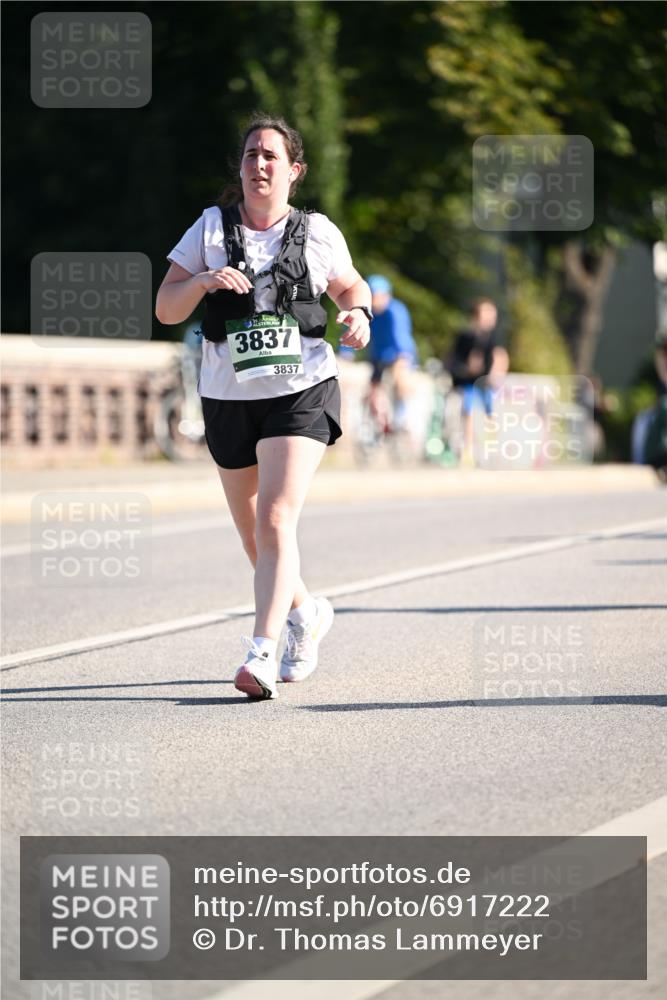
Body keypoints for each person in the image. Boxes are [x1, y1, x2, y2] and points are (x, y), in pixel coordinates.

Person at [155, 114, 371, 699]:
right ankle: (306, 613)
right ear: (241, 168)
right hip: (228, 396)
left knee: (276, 518)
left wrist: (358, 315)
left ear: (293, 171)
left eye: (272, 156)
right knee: (255, 534)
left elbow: (352, 286)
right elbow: (166, 308)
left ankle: (262, 653)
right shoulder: (208, 229)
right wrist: (200, 284)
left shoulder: (317, 233)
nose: (259, 165)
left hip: (301, 389)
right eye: (251, 155)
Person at [446, 298, 509, 463]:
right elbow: (454, 360)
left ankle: (492, 450)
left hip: (486, 383)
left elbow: (500, 357)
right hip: (468, 382)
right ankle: (468, 450)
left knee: (491, 414)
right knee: (469, 410)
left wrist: (496, 375)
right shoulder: (466, 337)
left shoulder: (494, 338)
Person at [366, 275, 417, 431]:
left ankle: (403, 416)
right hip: (378, 355)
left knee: (400, 379)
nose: (375, 301)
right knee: (373, 390)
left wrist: (403, 359)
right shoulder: (368, 311)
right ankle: (380, 420)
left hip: (398, 353)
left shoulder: (395, 311)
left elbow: (401, 337)